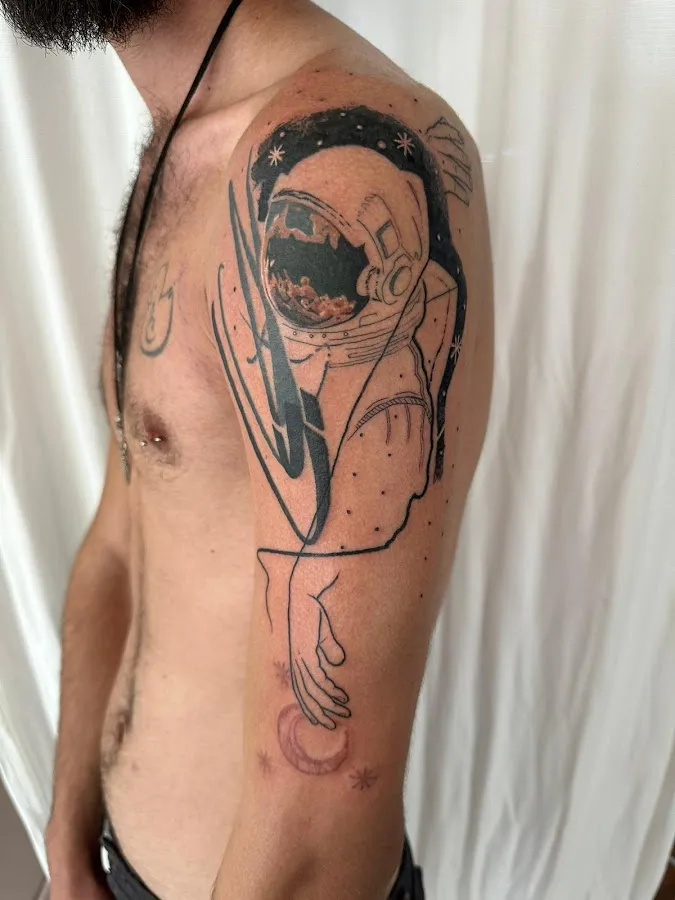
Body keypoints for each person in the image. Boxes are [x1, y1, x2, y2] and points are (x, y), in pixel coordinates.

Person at [2, 0, 493, 896]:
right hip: (115, 865)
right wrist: (67, 841)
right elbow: (122, 539)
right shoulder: (183, 145)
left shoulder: (339, 150)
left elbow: (325, 784)